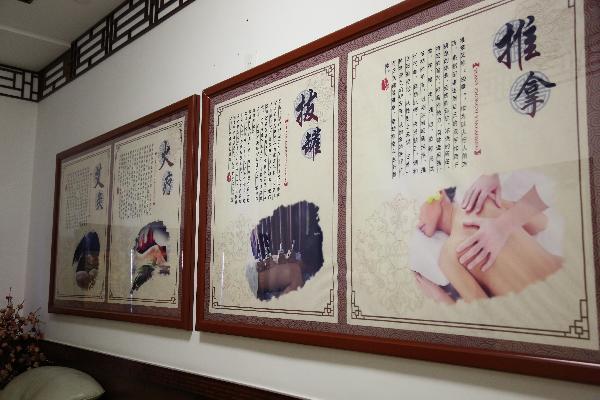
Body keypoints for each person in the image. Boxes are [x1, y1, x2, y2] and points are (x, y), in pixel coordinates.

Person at [415, 183, 562, 303]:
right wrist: (503, 208)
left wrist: (438, 297)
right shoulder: (484, 201)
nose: (414, 222)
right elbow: (541, 223)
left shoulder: (448, 257)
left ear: (438, 192)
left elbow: (484, 315)